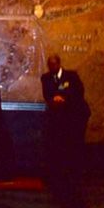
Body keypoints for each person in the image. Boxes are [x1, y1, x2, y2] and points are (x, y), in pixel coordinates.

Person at [40, 53, 90, 181]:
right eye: (49, 65)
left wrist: (65, 98)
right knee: (58, 143)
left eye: (54, 64)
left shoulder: (71, 76)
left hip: (74, 115)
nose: (51, 67)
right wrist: (54, 98)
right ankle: (59, 171)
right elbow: (47, 94)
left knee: (75, 143)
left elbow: (79, 92)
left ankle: (75, 171)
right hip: (58, 116)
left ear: (59, 64)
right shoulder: (46, 78)